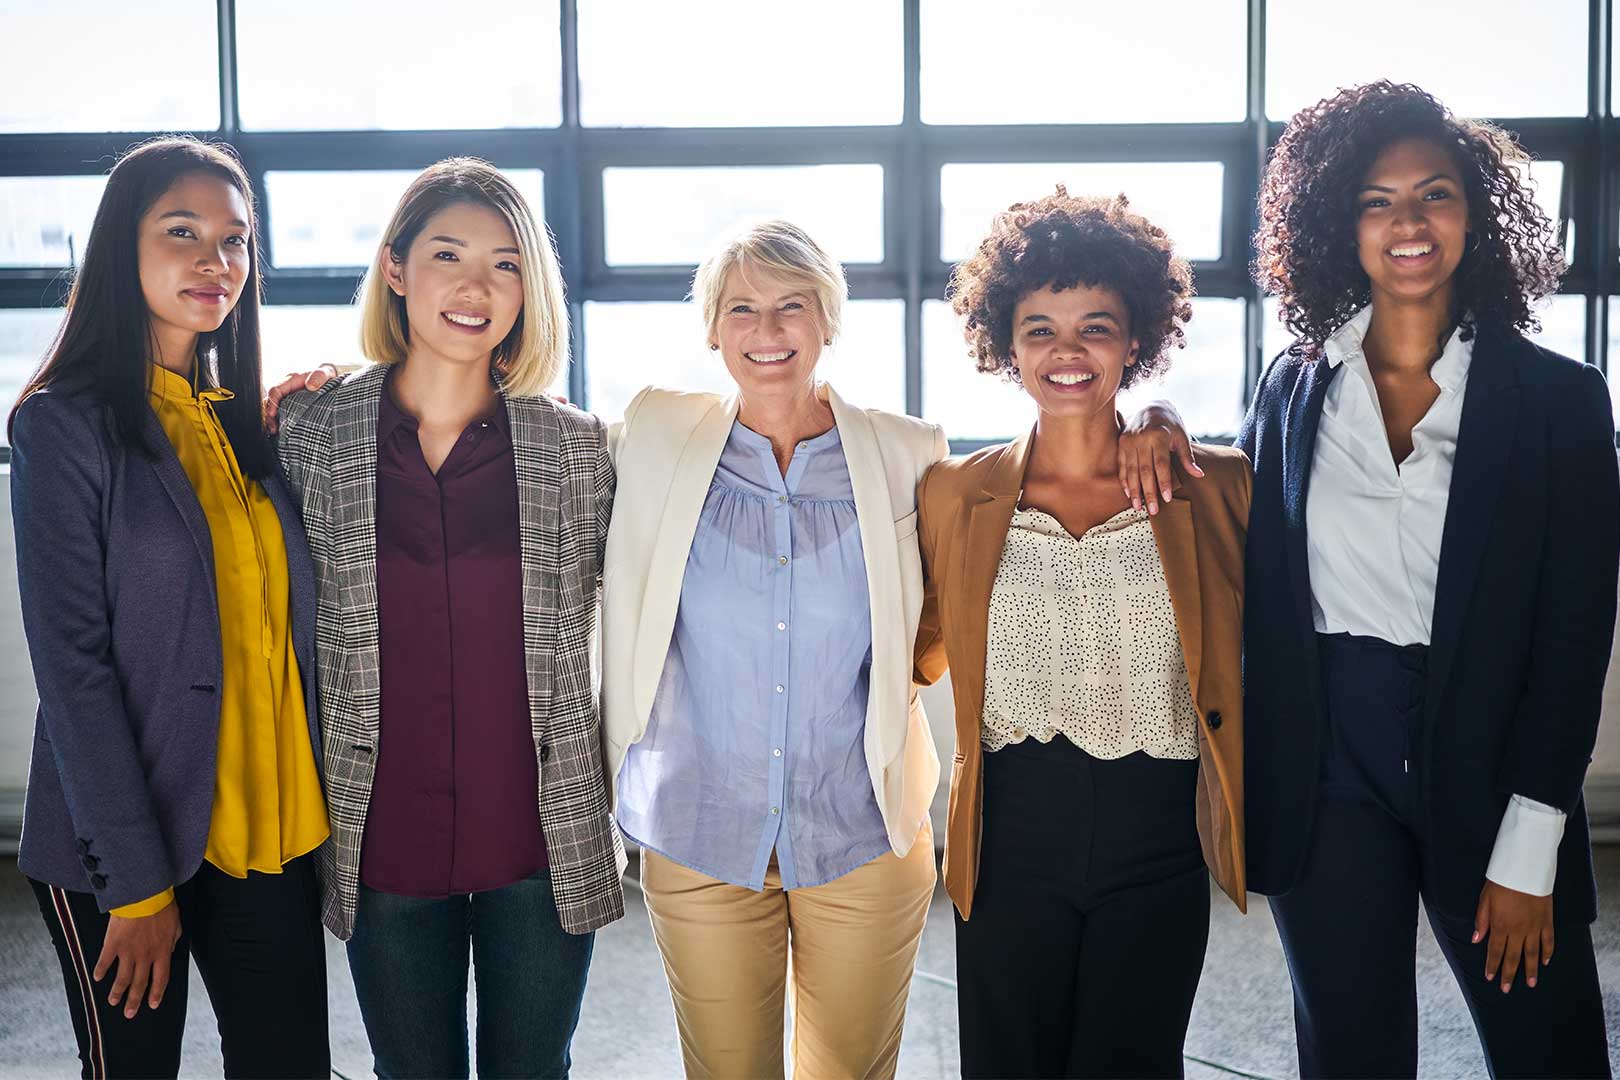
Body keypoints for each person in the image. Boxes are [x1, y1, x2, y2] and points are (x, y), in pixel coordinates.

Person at [1123, 81, 1616, 1077]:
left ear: (1475, 216)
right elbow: (1230, 493)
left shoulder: (1561, 401)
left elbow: (1573, 641)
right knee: (1349, 1053)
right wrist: (1155, 409)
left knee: (1548, 1052)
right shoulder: (1294, 383)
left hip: (1493, 758)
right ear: (1336, 224)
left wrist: (1530, 852)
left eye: (1433, 194)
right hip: (1330, 765)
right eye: (1377, 201)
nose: (1408, 223)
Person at [273, 158, 623, 1079]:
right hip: (384, 839)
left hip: (540, 842)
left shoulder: (579, 449)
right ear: (396, 269)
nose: (476, 287)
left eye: (507, 264)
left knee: (533, 1070)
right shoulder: (308, 434)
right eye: (447, 255)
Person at [10, 136, 330, 1079]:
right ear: (122, 246)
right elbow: (72, 667)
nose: (214, 261)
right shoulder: (61, 424)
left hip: (264, 833)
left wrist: (319, 407)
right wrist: (139, 889)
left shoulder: (244, 425)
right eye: (181, 231)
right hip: (126, 843)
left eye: (234, 241)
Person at [599, 219, 944, 1079]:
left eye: (793, 306)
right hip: (702, 831)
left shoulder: (908, 451)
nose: (767, 331)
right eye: (742, 308)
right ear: (712, 327)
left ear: (828, 319)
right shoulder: (652, 435)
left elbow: (958, 589)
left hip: (862, 831)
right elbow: (511, 424)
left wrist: (1152, 419)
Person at [915, 189, 1248, 1079]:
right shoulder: (954, 493)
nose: (1067, 352)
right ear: (1006, 344)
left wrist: (1163, 420)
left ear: (1135, 338)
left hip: (1159, 842)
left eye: (1095, 326)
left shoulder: (1210, 486)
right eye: (1039, 330)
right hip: (1010, 841)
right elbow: (912, 648)